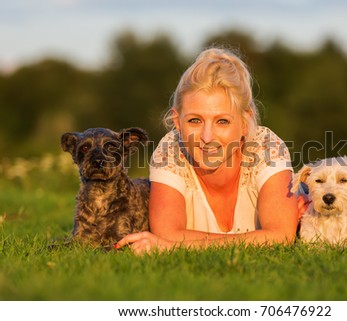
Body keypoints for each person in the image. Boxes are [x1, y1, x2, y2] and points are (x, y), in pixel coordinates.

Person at [115, 47, 309, 254]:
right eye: (194, 120)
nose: (207, 137)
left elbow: (281, 236)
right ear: (177, 121)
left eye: (222, 121)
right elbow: (166, 234)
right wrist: (261, 236)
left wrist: (176, 245)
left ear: (245, 122)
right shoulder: (170, 151)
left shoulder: (266, 147)